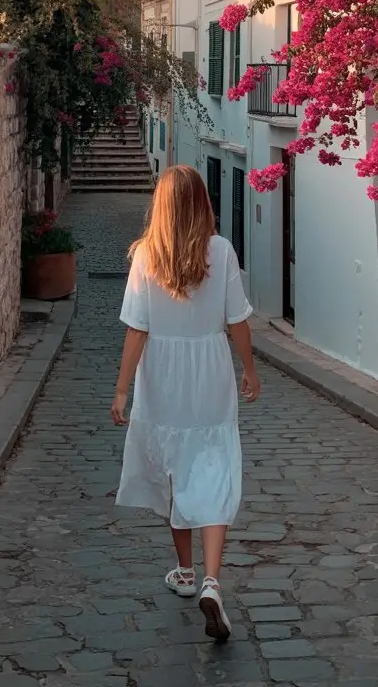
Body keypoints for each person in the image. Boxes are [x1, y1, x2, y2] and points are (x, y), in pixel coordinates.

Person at [111, 164, 261, 642]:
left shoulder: (145, 257)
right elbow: (236, 320)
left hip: (163, 378)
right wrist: (249, 368)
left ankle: (184, 571)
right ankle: (213, 581)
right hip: (210, 374)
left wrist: (122, 388)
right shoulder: (221, 251)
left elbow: (137, 330)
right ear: (202, 203)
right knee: (214, 466)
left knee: (174, 470)